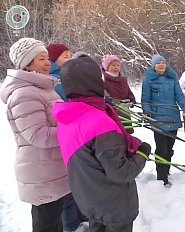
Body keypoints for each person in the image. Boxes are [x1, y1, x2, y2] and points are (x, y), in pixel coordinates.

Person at [52, 56, 150, 232]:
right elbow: (121, 172)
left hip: (90, 199)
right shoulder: (99, 122)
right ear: (94, 83)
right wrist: (143, 153)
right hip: (114, 205)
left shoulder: (66, 117)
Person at [0, 37, 70, 232]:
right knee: (46, 224)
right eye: (41, 58)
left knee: (54, 221)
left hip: (52, 168)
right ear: (27, 63)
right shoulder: (24, 94)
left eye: (47, 58)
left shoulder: (44, 88)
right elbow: (39, 136)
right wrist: (75, 129)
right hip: (41, 172)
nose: (48, 63)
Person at [47, 42, 88, 232]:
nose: (70, 58)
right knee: (67, 183)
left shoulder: (69, 77)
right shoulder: (54, 81)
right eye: (65, 56)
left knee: (78, 180)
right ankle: (71, 224)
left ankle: (81, 215)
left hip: (78, 133)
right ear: (53, 60)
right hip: (67, 136)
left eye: (70, 54)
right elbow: (65, 108)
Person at [141, 54, 185, 185]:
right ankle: (161, 176)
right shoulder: (149, 80)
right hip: (158, 119)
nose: (161, 65)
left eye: (163, 63)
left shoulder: (172, 79)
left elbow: (179, 96)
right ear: (153, 66)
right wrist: (148, 113)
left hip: (173, 117)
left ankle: (166, 170)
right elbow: (145, 99)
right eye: (158, 63)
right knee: (161, 149)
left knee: (170, 148)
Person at [101, 54, 136, 134]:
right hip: (111, 112)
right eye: (113, 65)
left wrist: (131, 99)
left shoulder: (123, 80)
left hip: (125, 112)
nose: (116, 67)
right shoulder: (103, 79)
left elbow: (128, 92)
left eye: (118, 65)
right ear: (107, 67)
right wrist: (110, 100)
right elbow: (103, 93)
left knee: (127, 136)